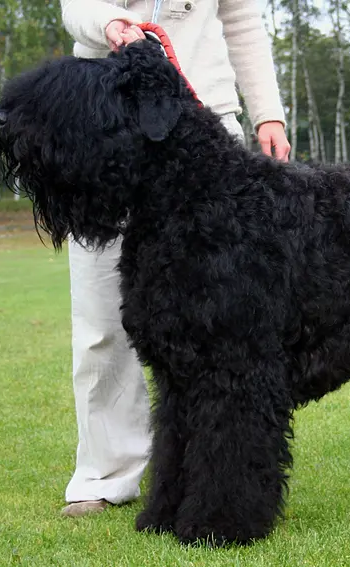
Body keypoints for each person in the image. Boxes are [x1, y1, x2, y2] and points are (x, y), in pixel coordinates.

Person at [59, 0, 291, 517]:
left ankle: (215, 487)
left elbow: (243, 20)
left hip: (202, 113)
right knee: (101, 325)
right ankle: (105, 475)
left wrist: (267, 110)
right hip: (107, 117)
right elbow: (75, 5)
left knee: (218, 340)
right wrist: (110, 24)